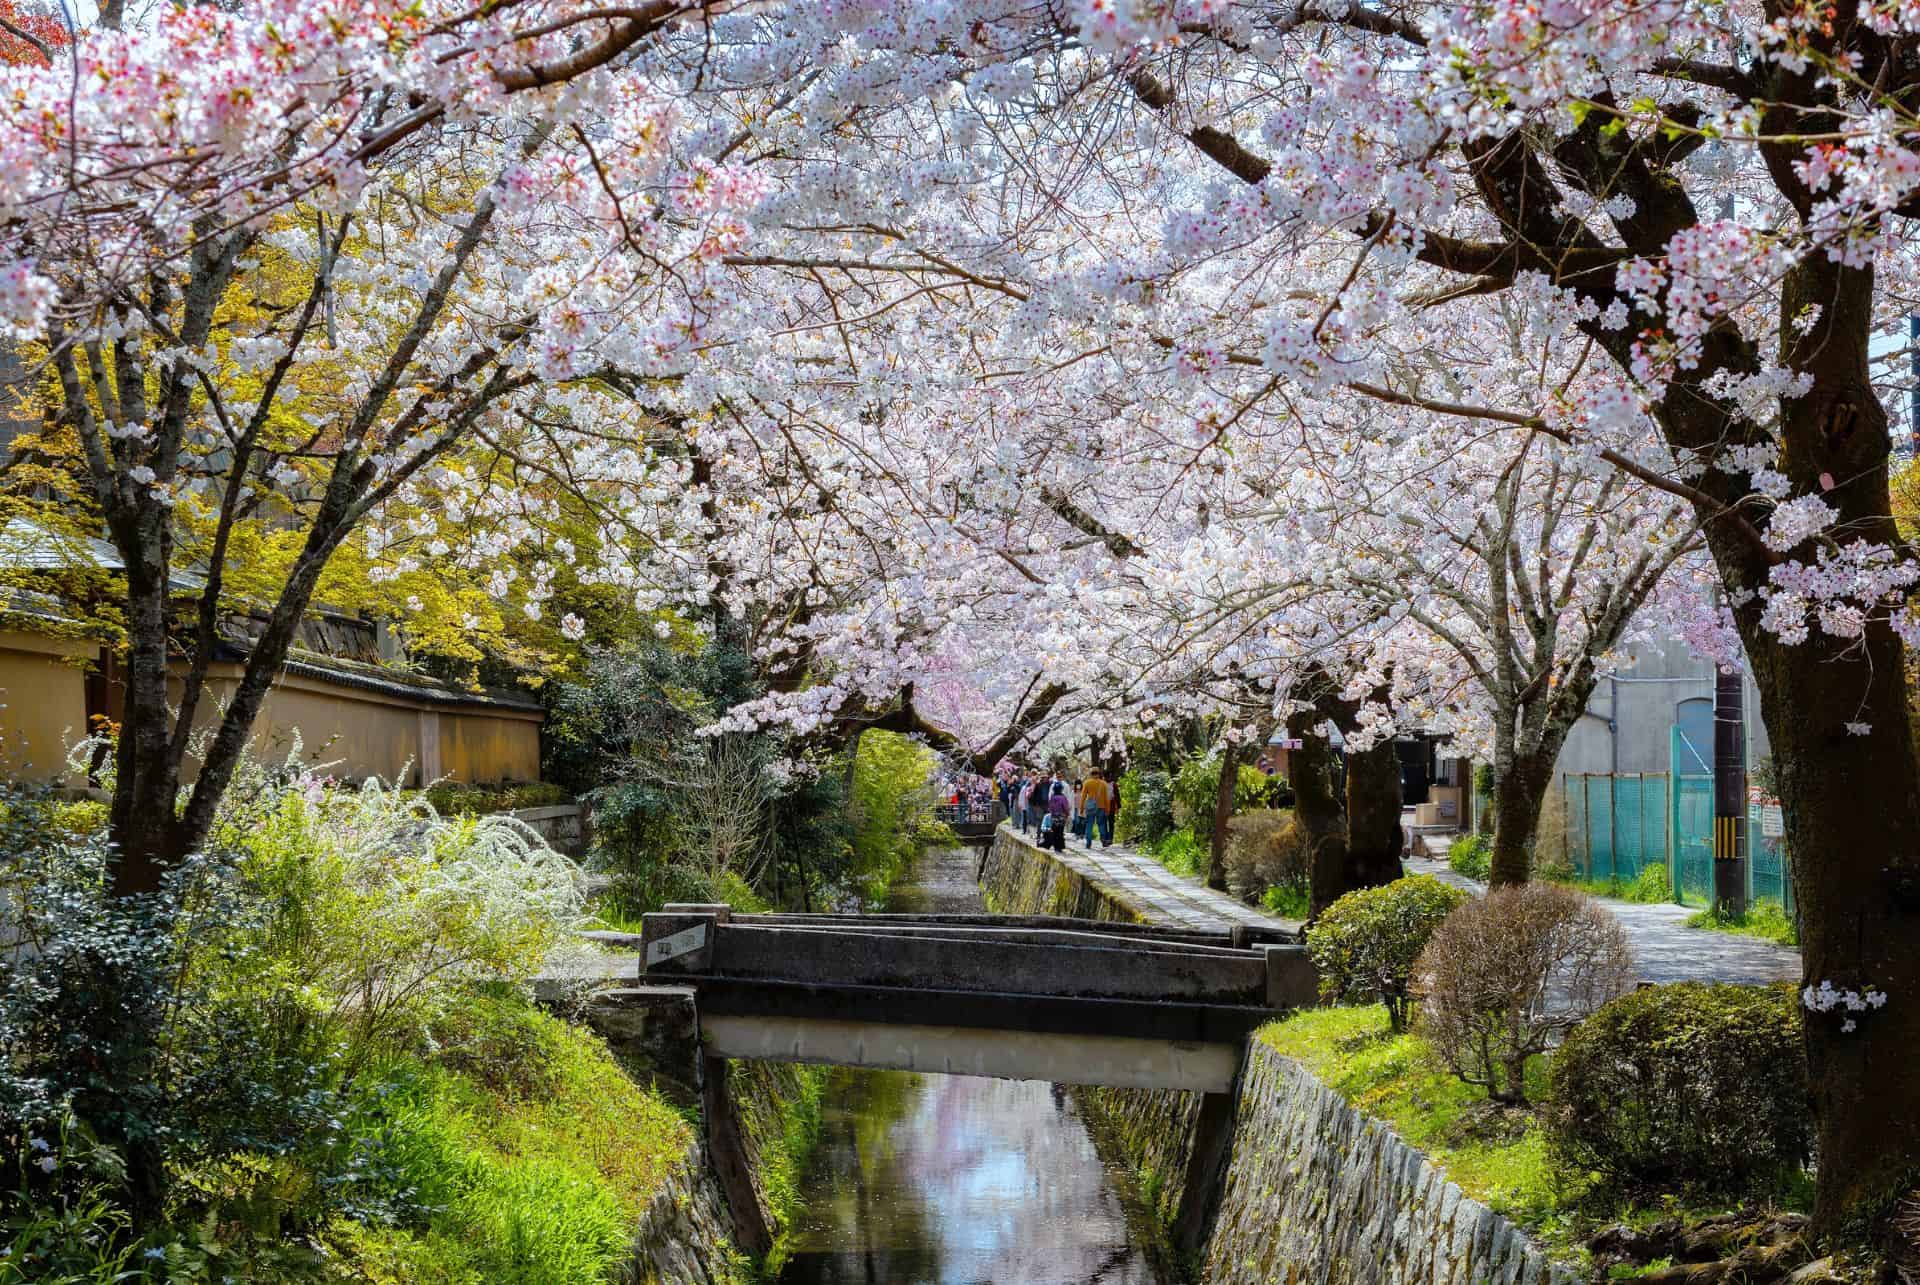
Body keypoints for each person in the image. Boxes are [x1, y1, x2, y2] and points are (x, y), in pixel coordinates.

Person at [1079, 768, 1115, 849]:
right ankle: (1103, 840)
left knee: (1089, 824)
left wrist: (1081, 808)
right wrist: (1107, 809)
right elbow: (1107, 798)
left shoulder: (1087, 783)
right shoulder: (1103, 784)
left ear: (1091, 774)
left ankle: (1088, 842)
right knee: (1101, 824)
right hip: (1101, 807)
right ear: (1099, 774)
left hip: (1090, 807)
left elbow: (1083, 797)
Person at [1043, 781, 1071, 851]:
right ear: (1061, 789)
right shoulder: (1063, 797)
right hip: (1061, 817)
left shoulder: (1052, 797)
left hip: (1054, 817)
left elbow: (1050, 807)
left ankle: (1056, 846)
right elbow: (1065, 807)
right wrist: (1067, 814)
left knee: (1055, 831)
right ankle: (1060, 846)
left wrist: (1052, 814)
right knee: (1060, 831)